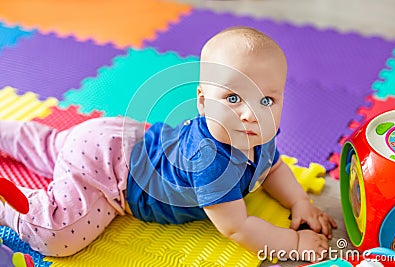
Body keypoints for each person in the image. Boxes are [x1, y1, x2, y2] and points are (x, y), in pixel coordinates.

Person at [0, 26, 336, 261]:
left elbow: (273, 166)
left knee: (53, 146)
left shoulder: (258, 134)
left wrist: (299, 202)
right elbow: (238, 227)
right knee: (57, 236)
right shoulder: (210, 160)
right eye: (233, 98)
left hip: (118, 136)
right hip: (113, 175)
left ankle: (11, 134)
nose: (251, 115)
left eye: (267, 101)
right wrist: (293, 242)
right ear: (202, 102)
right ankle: (8, 203)